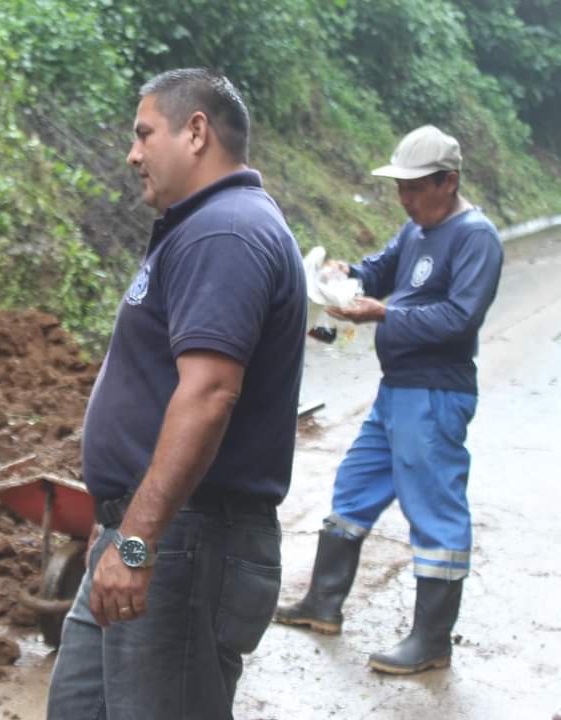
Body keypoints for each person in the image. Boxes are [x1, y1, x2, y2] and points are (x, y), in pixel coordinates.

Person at [46, 68, 306, 719]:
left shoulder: (225, 232)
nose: (132, 154)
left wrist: (134, 544)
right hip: (148, 537)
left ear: (195, 132)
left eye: (142, 134)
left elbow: (210, 393)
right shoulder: (202, 228)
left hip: (182, 546)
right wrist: (117, 534)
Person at [273, 125, 504, 675]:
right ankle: (323, 602)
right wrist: (346, 274)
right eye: (400, 187)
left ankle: (431, 641)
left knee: (435, 511)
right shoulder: (417, 228)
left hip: (435, 394)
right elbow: (379, 266)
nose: (404, 198)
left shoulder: (476, 238)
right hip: (395, 390)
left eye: (415, 188)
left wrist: (382, 313)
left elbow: (459, 318)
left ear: (448, 182)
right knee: (353, 488)